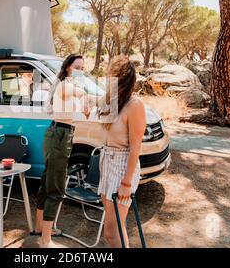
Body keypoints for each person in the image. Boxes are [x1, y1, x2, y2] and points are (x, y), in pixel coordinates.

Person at [34, 54, 94, 248]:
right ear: (68, 67)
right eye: (77, 66)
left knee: (47, 181)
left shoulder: (67, 86)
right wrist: (85, 97)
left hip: (59, 133)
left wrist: (86, 99)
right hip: (60, 134)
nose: (80, 70)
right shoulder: (64, 85)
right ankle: (46, 240)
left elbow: (84, 103)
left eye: (83, 68)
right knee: (56, 187)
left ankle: (40, 228)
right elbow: (79, 94)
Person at [97, 56, 146, 248]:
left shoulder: (135, 105)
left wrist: (126, 182)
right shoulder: (110, 101)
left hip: (122, 166)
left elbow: (136, 147)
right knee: (112, 230)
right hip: (106, 162)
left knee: (112, 231)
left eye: (115, 78)